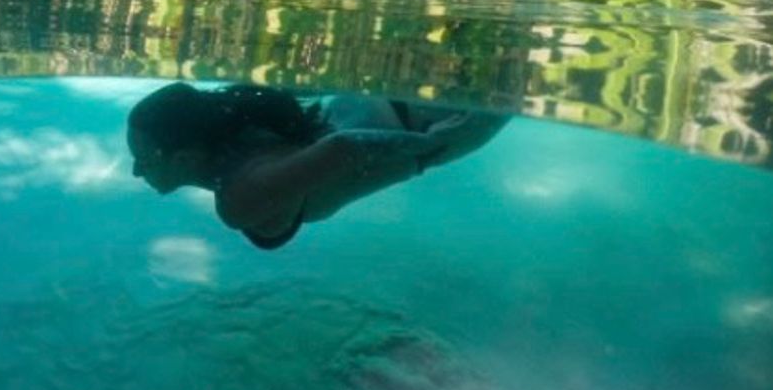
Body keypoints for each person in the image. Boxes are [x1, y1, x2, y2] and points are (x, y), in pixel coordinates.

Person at [126, 83, 508, 250]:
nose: (136, 172)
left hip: (432, 126)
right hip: (401, 103)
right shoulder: (232, 125)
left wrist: (429, 145)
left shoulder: (238, 199)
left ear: (184, 157)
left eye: (143, 160)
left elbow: (344, 147)